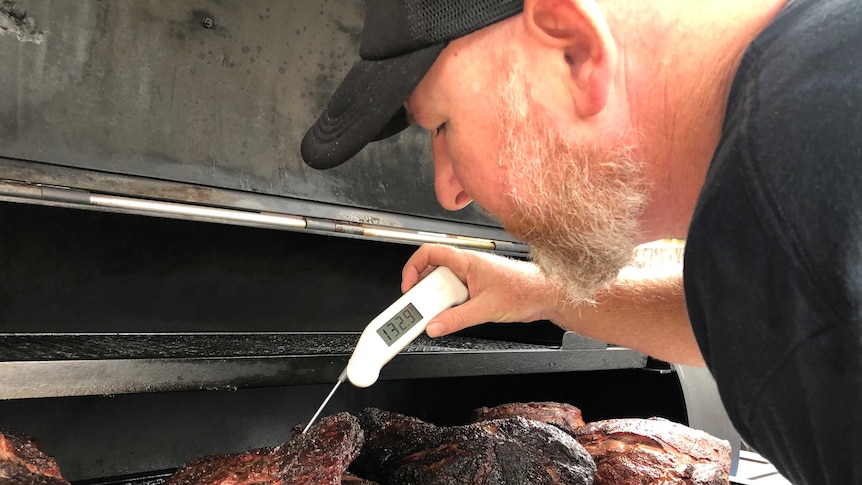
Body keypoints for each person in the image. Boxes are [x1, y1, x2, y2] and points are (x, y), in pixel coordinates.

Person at [301, 1, 861, 483]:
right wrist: (543, 292)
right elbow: (746, 315)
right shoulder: (816, 99)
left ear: (572, 52)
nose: (449, 191)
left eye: (443, 125)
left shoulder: (801, 221)